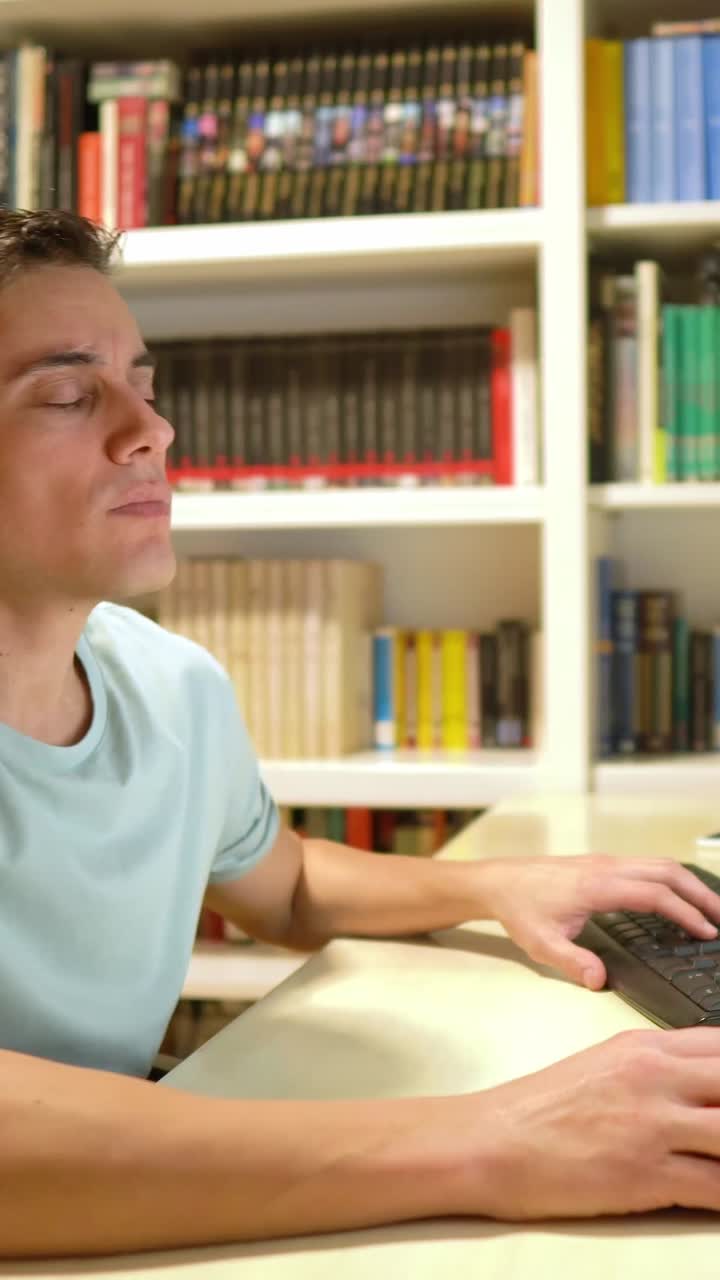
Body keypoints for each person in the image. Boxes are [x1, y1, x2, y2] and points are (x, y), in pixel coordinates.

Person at [2, 209, 720, 1261]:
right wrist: (491, 1138)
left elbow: (282, 883)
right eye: (68, 395)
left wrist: (495, 886)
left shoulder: (171, 684)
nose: (149, 430)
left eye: (144, 389)